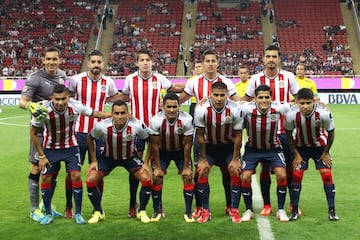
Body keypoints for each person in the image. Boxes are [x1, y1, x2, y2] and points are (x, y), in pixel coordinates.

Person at [118, 48, 184, 219]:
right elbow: (124, 98)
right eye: (142, 60)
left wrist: (194, 86)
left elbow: (174, 88)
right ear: (137, 62)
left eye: (148, 59)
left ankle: (158, 207)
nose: (145, 62)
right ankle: (133, 205)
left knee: (156, 169)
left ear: (152, 62)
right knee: (136, 169)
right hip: (136, 130)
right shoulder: (130, 80)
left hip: (156, 130)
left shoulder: (159, 78)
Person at [31, 84, 111, 225]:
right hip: (50, 149)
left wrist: (112, 115)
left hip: (71, 148)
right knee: (46, 179)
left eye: (63, 99)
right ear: (52, 98)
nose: (61, 102)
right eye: (57, 99)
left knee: (75, 176)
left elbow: (94, 113)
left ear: (68, 97)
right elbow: (33, 133)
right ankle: (48, 213)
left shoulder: (75, 106)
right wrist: (41, 156)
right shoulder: (43, 109)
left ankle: (78, 213)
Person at [179, 50, 240, 220]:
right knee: (200, 172)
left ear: (218, 63)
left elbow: (238, 101)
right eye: (208, 61)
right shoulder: (194, 82)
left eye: (214, 60)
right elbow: (180, 100)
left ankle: (230, 205)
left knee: (228, 173)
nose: (211, 63)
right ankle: (200, 207)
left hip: (224, 135)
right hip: (203, 135)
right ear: (203, 63)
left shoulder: (226, 82)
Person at [241, 45, 299, 216]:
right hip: (263, 132)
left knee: (287, 169)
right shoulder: (256, 79)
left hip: (283, 132)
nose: (271, 59)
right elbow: (246, 99)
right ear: (263, 59)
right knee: (264, 168)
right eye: (268, 56)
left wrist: (316, 101)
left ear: (279, 59)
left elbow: (298, 99)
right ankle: (267, 204)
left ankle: (290, 205)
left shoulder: (288, 77)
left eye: (274, 56)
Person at [66, 50, 120, 218]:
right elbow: (67, 98)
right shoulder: (76, 80)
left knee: (99, 171)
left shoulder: (109, 83)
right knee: (72, 172)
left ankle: (98, 206)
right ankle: (69, 206)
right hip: (78, 133)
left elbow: (114, 98)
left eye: (99, 62)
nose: (96, 65)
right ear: (88, 63)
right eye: (93, 62)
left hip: (99, 134)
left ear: (103, 64)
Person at [85, 100, 153, 224]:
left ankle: (142, 211)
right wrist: (93, 160)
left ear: (128, 113)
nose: (120, 116)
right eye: (116, 113)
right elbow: (90, 138)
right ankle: (98, 212)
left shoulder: (137, 125)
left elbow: (150, 140)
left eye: (123, 113)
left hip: (130, 158)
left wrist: (146, 162)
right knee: (90, 180)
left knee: (147, 179)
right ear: (112, 113)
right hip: (107, 158)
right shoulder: (102, 126)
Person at [19, 46, 66, 222]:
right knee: (36, 167)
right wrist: (31, 106)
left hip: (55, 131)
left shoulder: (62, 75)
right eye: (49, 59)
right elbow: (22, 101)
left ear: (59, 60)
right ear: (43, 60)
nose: (52, 62)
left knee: (54, 168)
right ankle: (33, 210)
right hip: (39, 131)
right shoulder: (35, 78)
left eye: (55, 59)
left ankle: (46, 206)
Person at [284, 88, 339, 221]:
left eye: (308, 103)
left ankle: (332, 210)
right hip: (301, 148)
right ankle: (295, 210)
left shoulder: (323, 114)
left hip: (320, 148)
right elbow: (288, 135)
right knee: (296, 175)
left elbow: (331, 133)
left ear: (314, 102)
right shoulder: (291, 114)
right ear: (296, 102)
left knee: (326, 175)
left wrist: (326, 153)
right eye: (302, 103)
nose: (305, 107)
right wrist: (296, 154)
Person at [193, 82, 243, 223]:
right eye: (216, 95)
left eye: (222, 95)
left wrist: (235, 159)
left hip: (228, 147)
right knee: (202, 171)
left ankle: (233, 208)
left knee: (234, 170)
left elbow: (239, 136)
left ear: (227, 95)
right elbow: (200, 137)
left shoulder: (235, 109)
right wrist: (202, 159)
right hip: (209, 147)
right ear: (210, 95)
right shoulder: (201, 109)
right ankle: (205, 210)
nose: (219, 99)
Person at [240, 84, 290, 222]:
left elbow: (296, 104)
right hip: (252, 149)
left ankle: (281, 209)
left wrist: (318, 103)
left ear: (271, 98)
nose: (264, 100)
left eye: (266, 97)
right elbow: (229, 104)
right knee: (245, 177)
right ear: (255, 99)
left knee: (281, 175)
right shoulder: (246, 109)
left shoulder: (279, 108)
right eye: (260, 97)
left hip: (273, 149)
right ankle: (248, 210)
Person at [148, 93, 195, 222]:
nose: (172, 110)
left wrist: (186, 167)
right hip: (162, 152)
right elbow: (155, 146)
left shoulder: (187, 119)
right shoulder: (156, 120)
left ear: (179, 106)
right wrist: (157, 167)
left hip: (180, 152)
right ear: (163, 106)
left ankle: (188, 211)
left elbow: (187, 145)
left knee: (187, 176)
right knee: (157, 177)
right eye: (168, 107)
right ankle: (157, 210)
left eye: (174, 106)